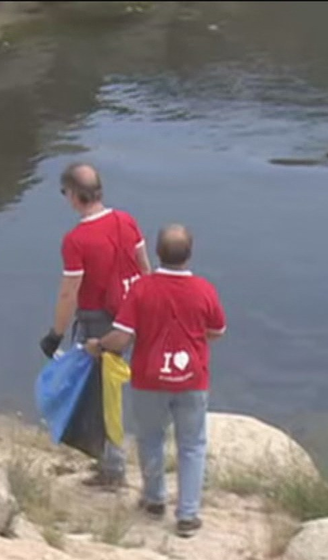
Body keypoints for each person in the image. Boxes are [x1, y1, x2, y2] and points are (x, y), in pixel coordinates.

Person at [85, 224, 226, 538]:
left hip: (149, 379)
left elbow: (122, 337)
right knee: (192, 445)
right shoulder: (204, 289)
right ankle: (188, 514)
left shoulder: (142, 289)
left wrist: (99, 345)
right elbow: (217, 331)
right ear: (189, 254)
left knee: (150, 438)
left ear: (158, 253)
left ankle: (154, 500)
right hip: (192, 380)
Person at [40, 162, 152, 488]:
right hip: (132, 315)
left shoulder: (76, 240)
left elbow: (69, 293)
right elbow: (145, 268)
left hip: (100, 324)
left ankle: (113, 469)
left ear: (74, 196)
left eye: (65, 192)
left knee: (104, 395)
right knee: (115, 389)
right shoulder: (127, 220)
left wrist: (56, 334)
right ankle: (112, 459)